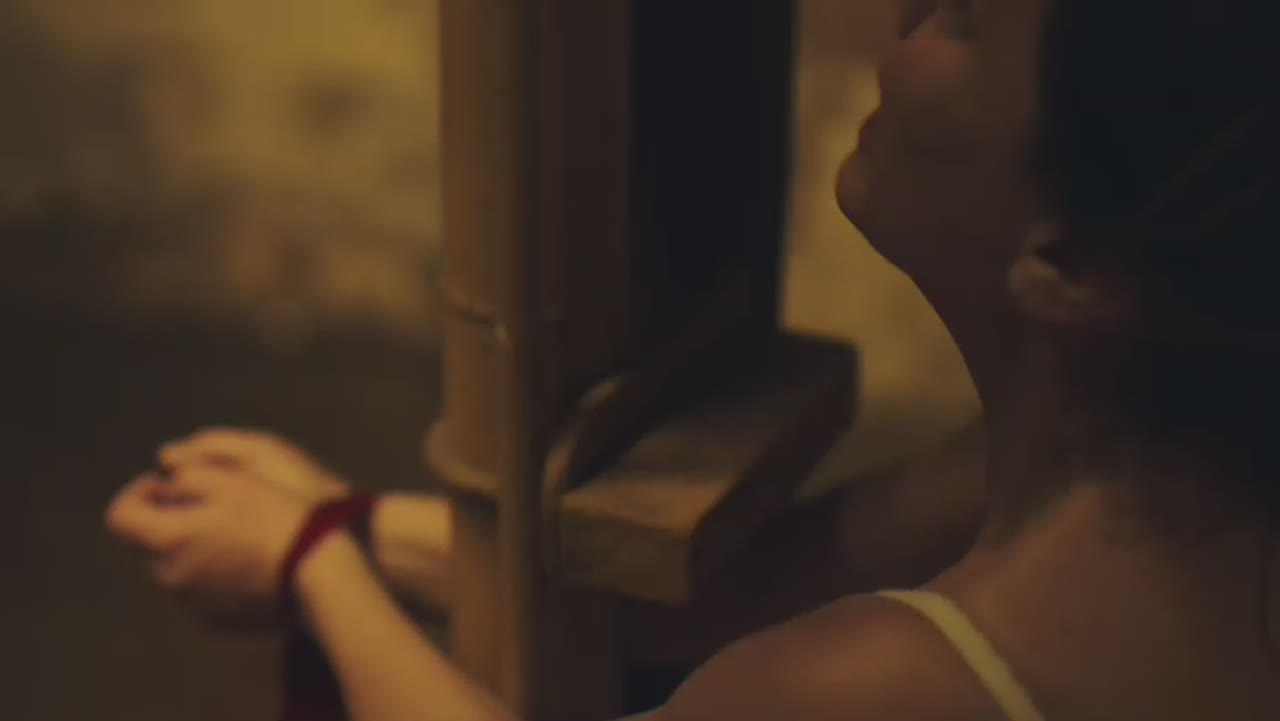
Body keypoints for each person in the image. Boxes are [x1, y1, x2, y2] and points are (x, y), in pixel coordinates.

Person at [105, 0, 1280, 718]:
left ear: (1067, 259)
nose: (903, 16)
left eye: (962, 16)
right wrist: (352, 525)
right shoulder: (1151, 467)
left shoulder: (862, 689)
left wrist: (315, 565)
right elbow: (731, 594)